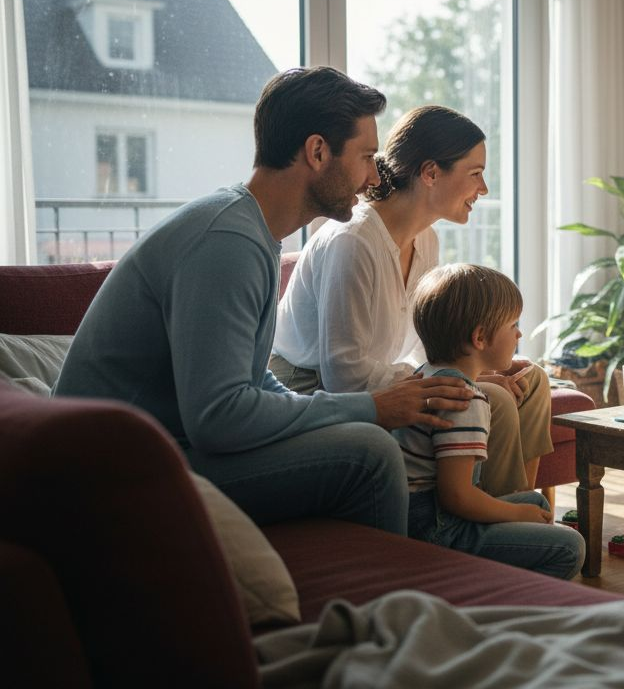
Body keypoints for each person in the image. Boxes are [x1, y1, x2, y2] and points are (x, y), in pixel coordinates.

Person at [54, 67, 474, 534]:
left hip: (162, 448)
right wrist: (371, 407)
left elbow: (252, 382)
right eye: (366, 156)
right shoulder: (226, 243)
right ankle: (386, 598)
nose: (374, 176)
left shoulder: (252, 232)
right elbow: (219, 417)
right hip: (111, 476)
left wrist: (347, 412)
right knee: (369, 455)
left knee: (355, 435)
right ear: (318, 152)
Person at [270, 105, 552, 497]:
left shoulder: (426, 240)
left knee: (531, 380)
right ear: (431, 172)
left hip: (385, 379)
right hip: (315, 390)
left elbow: (427, 346)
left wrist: (470, 369)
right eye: (475, 174)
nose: (484, 189)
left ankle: (522, 511)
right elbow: (345, 378)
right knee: (498, 401)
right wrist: (453, 381)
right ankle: (498, 526)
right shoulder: (353, 242)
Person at [397, 263, 584, 579]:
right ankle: (491, 590)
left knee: (535, 501)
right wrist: (514, 513)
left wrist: (521, 510)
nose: (519, 333)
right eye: (513, 325)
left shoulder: (426, 376)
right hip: (440, 531)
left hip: (422, 517)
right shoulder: (465, 401)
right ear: (480, 337)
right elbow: (456, 497)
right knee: (570, 547)